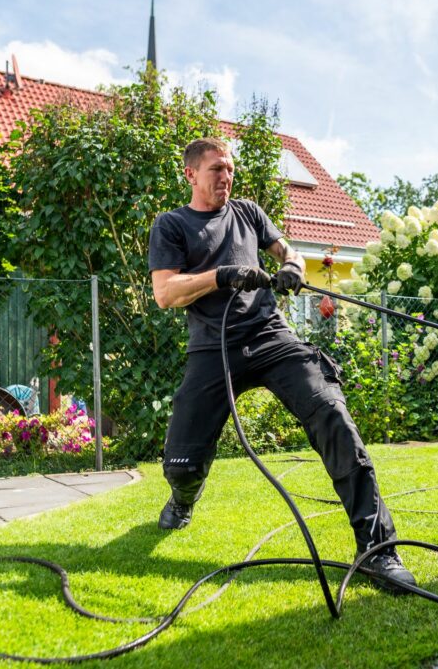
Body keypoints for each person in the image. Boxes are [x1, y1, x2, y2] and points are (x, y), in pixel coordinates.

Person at [147, 137, 415, 593]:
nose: (225, 177)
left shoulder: (249, 213)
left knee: (332, 413)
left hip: (271, 337)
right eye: (216, 169)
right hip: (213, 351)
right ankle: (183, 498)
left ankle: (378, 552)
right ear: (191, 174)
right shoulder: (172, 225)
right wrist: (221, 275)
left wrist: (292, 266)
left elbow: (287, 250)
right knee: (182, 462)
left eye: (229, 169)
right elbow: (166, 293)